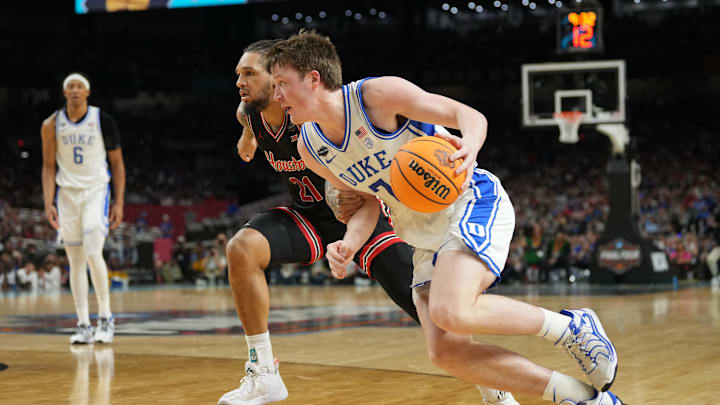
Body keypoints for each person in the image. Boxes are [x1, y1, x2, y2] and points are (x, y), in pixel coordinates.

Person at [266, 31, 623, 405]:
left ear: (313, 78)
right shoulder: (311, 148)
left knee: (452, 310)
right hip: (422, 239)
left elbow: (466, 115)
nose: (276, 97)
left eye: (281, 84)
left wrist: (469, 143)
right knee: (446, 352)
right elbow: (368, 203)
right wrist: (349, 244)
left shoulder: (376, 97)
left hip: (468, 201)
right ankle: (582, 399)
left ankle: (571, 328)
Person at [218, 40, 518, 405]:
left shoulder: (313, 113)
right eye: (239, 74)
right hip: (307, 215)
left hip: (368, 213)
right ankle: (263, 374)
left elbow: (360, 169)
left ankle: (493, 387)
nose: (241, 82)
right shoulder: (248, 112)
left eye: (250, 73)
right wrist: (246, 142)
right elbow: (248, 133)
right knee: (241, 247)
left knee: (433, 316)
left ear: (280, 78)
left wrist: (344, 194)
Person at [41, 72, 125, 344]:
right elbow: (48, 166)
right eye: (70, 86)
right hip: (66, 195)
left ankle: (105, 317)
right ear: (65, 92)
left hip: (95, 192)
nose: (75, 90)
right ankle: (83, 324)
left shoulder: (102, 120)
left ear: (87, 93)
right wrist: (48, 202)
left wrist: (119, 202)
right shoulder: (51, 125)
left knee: (92, 251)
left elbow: (117, 164)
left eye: (80, 86)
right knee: (75, 261)